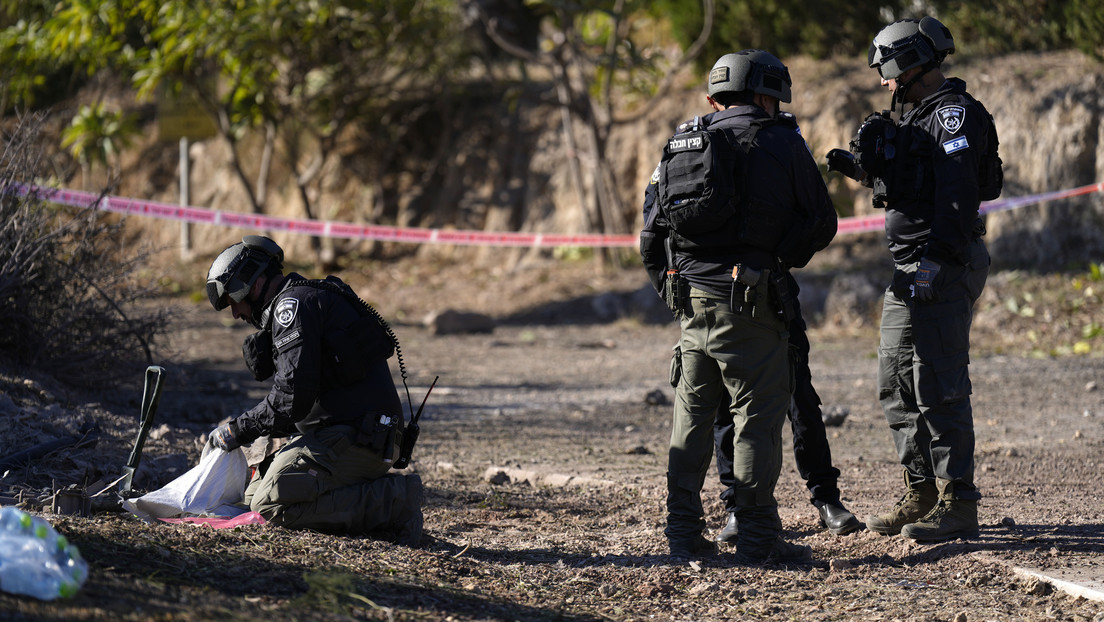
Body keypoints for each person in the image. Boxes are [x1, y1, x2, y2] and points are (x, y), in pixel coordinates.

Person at [640, 50, 837, 562]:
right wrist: (777, 261)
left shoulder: (683, 143)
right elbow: (822, 221)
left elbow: (650, 233)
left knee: (691, 420)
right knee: (755, 420)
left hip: (692, 306)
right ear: (767, 96)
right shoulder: (780, 141)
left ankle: (682, 535)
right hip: (750, 306)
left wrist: (674, 293)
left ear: (714, 98)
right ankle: (756, 538)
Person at [826, 16, 1000, 542]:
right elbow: (917, 184)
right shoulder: (922, 117)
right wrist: (861, 170)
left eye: (886, 70)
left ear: (907, 63)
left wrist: (936, 260)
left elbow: (957, 194)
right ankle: (922, 492)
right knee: (896, 383)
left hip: (939, 265)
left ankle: (958, 504)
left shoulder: (952, 116)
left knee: (939, 384)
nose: (883, 82)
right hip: (909, 269)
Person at [204, 234, 424, 546]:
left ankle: (394, 501)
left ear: (250, 286)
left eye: (232, 302)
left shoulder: (291, 307)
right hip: (350, 436)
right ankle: (365, 497)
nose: (236, 314)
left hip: (358, 439)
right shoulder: (306, 298)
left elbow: (291, 397)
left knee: (268, 507)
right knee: (250, 496)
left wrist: (236, 431)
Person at [713, 286, 862, 543]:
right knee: (726, 411)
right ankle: (738, 508)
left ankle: (827, 499)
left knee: (802, 403)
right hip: (720, 300)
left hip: (774, 296)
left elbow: (806, 244)